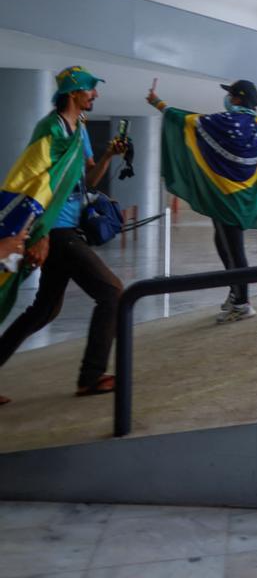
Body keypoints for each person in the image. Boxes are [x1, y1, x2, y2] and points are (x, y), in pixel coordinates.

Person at [0, 67, 127, 404]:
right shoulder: (50, 128)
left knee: (43, 310)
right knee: (112, 291)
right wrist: (38, 234)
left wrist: (109, 155)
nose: (95, 95)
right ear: (73, 93)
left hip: (68, 227)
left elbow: (88, 179)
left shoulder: (80, 129)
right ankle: (91, 376)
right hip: (53, 230)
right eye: (90, 90)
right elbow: (32, 183)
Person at [148, 79, 257, 324]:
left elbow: (191, 121)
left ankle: (243, 303)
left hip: (226, 197)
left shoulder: (227, 122)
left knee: (234, 249)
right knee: (223, 242)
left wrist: (159, 103)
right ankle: (235, 292)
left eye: (230, 95)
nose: (227, 99)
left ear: (237, 98)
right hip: (241, 196)